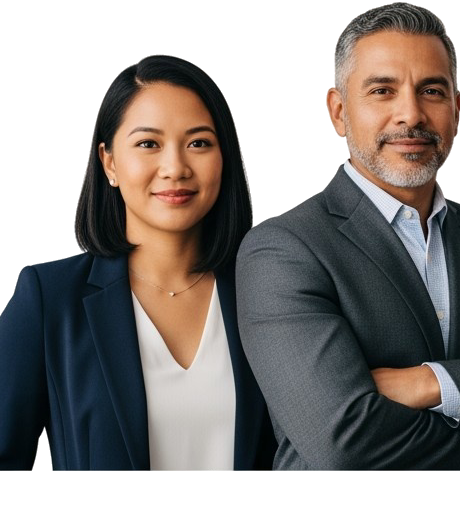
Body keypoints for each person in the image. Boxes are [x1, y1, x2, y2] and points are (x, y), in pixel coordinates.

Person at [235, 1, 460, 470]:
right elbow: (343, 442)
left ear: (456, 108)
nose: (411, 114)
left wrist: (427, 383)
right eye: (382, 91)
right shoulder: (283, 249)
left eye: (431, 90)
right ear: (338, 111)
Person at [0, 56, 276, 470]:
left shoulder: (268, 289)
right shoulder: (49, 298)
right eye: (149, 143)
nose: (175, 168)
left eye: (199, 142)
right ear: (109, 162)